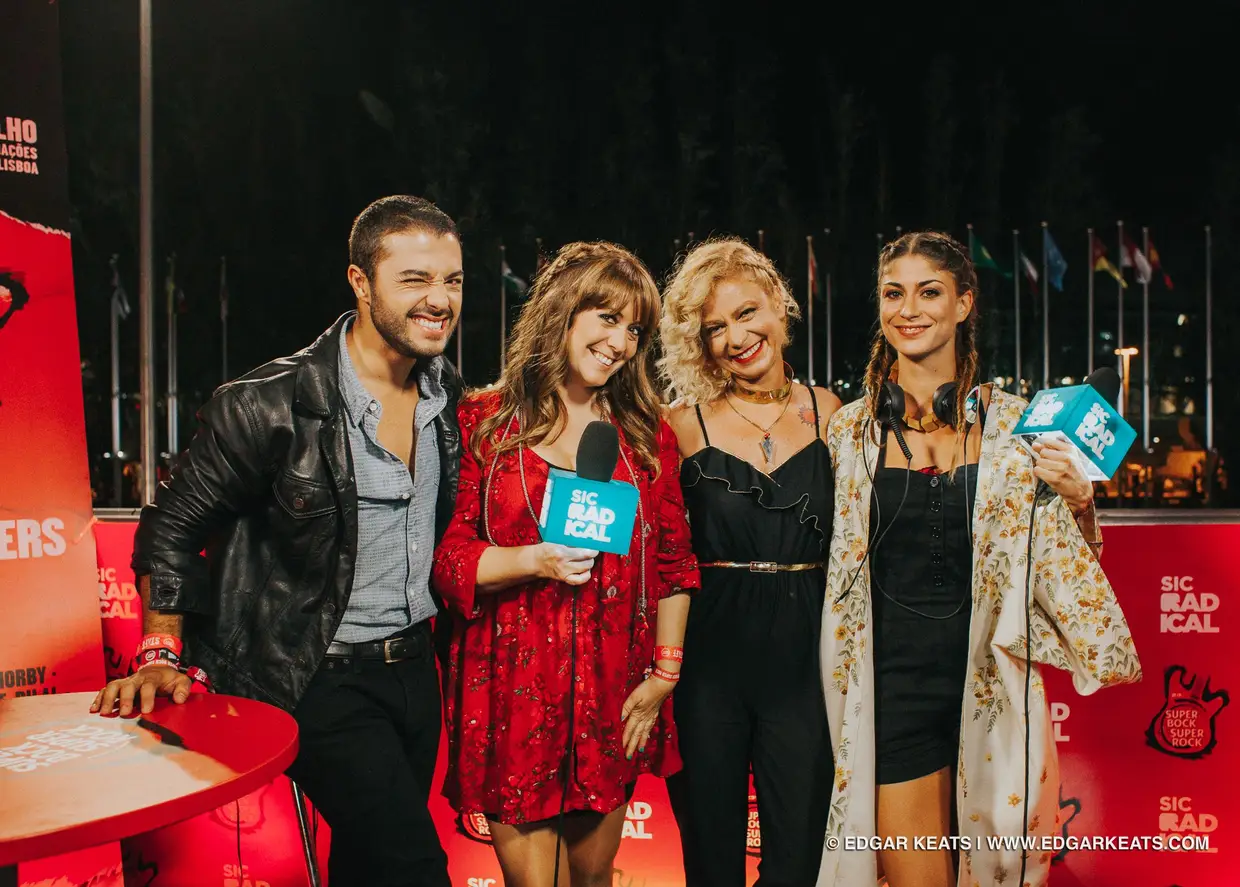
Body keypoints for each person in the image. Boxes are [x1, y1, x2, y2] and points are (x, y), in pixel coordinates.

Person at [91, 195, 465, 887]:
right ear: (360, 283)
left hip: (415, 672)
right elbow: (172, 524)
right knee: (413, 869)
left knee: (368, 866)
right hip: (314, 674)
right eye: (415, 279)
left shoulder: (446, 396)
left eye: (453, 280)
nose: (439, 300)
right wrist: (160, 650)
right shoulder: (267, 403)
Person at [816, 231, 1141, 887]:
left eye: (929, 292)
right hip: (891, 692)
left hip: (993, 686)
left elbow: (1064, 567)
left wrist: (1079, 501)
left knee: (998, 875)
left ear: (964, 303)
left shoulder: (1023, 427)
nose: (909, 309)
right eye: (893, 293)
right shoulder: (849, 430)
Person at [431, 241, 698, 887]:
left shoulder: (645, 434)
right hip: (511, 687)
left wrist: (664, 675)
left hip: (611, 689)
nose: (621, 343)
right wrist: (534, 560)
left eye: (635, 330)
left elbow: (674, 563)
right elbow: (448, 560)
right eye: (608, 318)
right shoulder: (483, 423)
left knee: (594, 880)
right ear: (562, 311)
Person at [657, 237, 841, 887]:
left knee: (799, 860)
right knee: (712, 857)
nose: (736, 337)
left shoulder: (831, 412)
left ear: (779, 306)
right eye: (715, 328)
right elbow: (658, 548)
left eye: (746, 312)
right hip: (709, 658)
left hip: (807, 657)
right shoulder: (680, 424)